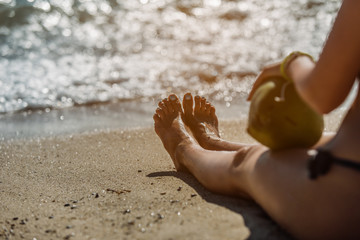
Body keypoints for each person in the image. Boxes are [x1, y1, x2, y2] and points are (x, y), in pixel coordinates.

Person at [153, 1, 360, 239]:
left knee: (248, 162)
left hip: (344, 200)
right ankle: (216, 145)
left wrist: (291, 63)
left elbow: (323, 96)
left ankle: (184, 149)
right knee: (309, 143)